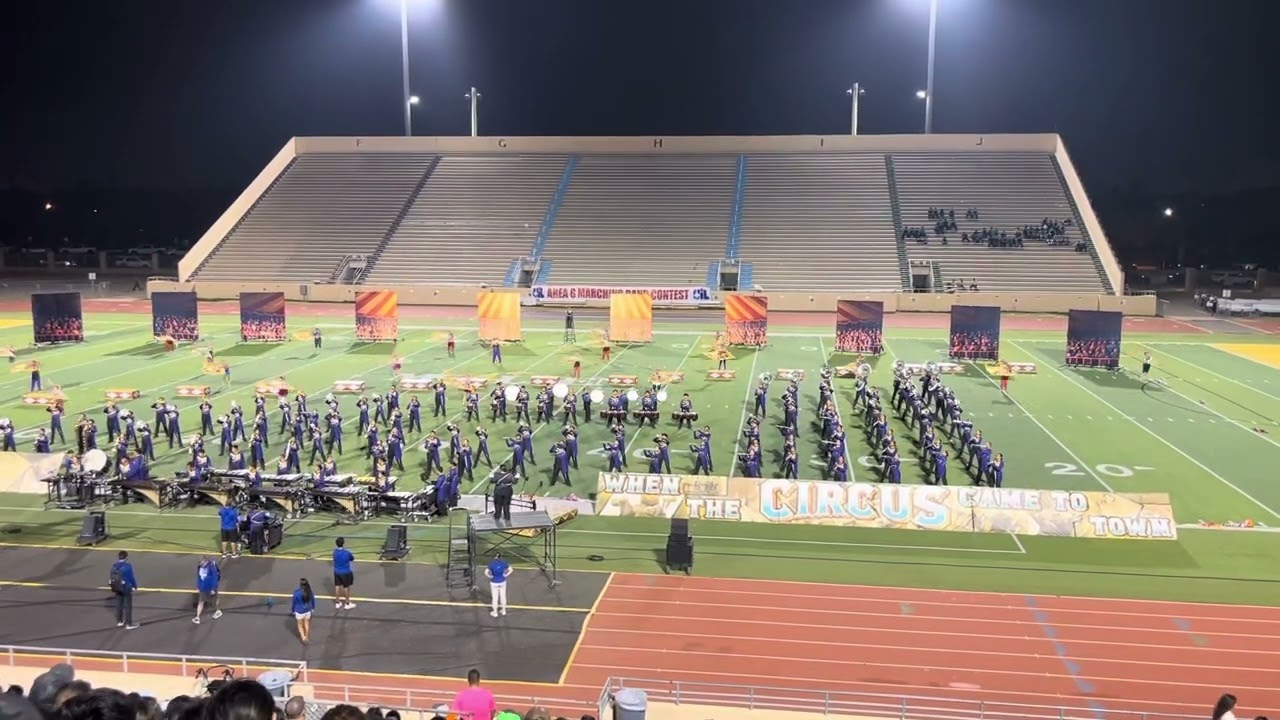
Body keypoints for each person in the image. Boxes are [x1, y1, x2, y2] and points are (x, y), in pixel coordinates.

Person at [109, 551, 139, 629]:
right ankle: (129, 624)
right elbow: (131, 577)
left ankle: (119, 621)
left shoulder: (114, 566)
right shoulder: (128, 566)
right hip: (126, 588)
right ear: (126, 557)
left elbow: (111, 576)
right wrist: (135, 586)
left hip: (117, 587)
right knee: (128, 606)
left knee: (119, 605)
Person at [193, 557, 222, 624]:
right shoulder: (199, 567)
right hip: (203, 587)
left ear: (206, 562)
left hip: (211, 587)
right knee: (201, 601)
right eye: (200, 564)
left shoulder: (212, 567)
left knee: (214, 601)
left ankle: (218, 611)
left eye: (202, 563)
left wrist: (212, 588)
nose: (201, 565)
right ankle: (197, 617)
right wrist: (198, 586)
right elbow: (199, 577)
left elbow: (214, 578)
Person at [485, 552, 511, 618]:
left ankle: (495, 612)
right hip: (502, 581)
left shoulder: (492, 563)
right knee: (503, 596)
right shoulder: (503, 563)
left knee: (495, 598)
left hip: (494, 582)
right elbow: (511, 570)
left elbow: (485, 572)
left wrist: (490, 576)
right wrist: (505, 575)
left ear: (494, 557)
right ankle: (504, 611)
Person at [332, 537, 355, 610]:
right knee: (346, 587)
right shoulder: (347, 553)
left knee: (337, 586)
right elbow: (352, 558)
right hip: (345, 572)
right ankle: (347, 603)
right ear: (343, 543)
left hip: (337, 572)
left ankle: (337, 602)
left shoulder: (334, 552)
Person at [292, 578, 316, 644]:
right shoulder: (310, 592)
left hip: (299, 611)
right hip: (308, 610)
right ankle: (307, 636)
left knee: (300, 625)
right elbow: (313, 600)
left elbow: (294, 602)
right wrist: (313, 607)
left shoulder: (296, 593)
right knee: (306, 623)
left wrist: (293, 610)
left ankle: (303, 637)